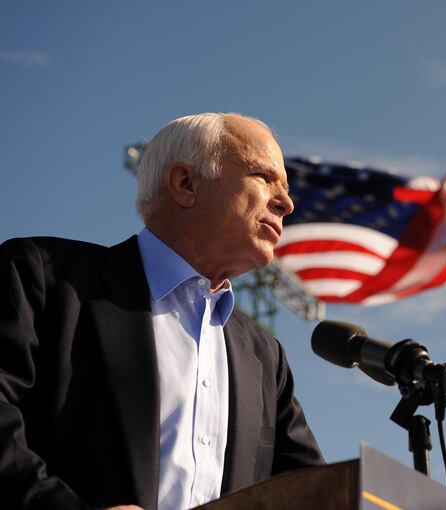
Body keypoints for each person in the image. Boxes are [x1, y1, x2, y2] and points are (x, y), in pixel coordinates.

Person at [0, 113, 325, 509]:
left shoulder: (265, 357)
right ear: (185, 183)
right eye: (263, 176)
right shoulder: (43, 277)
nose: (287, 203)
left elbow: (314, 493)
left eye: (286, 188)